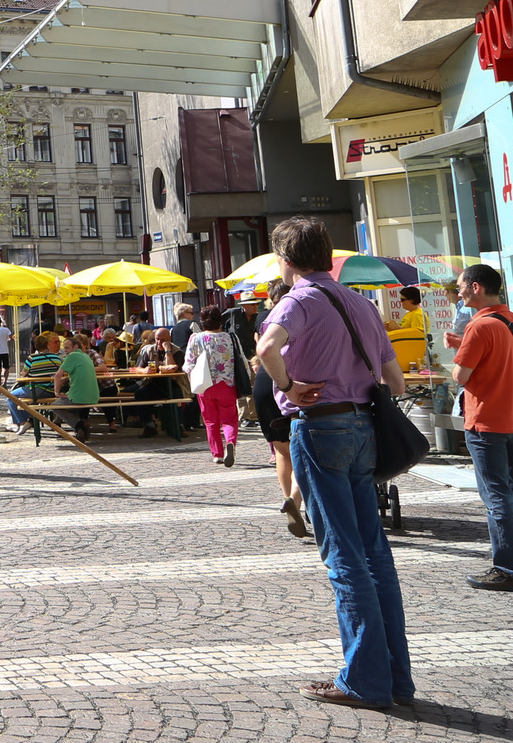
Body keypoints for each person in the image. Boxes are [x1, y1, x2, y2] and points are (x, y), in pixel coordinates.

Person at [255, 215, 413, 710]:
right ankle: (395, 678)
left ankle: (364, 680)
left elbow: (265, 348)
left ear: (286, 260)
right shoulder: (359, 303)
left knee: (343, 555)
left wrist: (287, 385)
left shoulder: (299, 300)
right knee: (374, 553)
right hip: (365, 427)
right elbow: (398, 382)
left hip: (321, 427)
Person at [449, 263, 511, 591]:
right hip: (510, 417)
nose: (457, 292)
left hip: (486, 421)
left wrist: (460, 348)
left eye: (461, 286)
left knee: (496, 495)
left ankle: (505, 568)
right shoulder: (508, 320)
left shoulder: (479, 325)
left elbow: (461, 376)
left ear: (476, 287)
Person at [250, 281, 310, 538]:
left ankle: (288, 498)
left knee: (282, 451)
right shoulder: (298, 312)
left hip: (263, 383)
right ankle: (295, 500)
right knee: (305, 449)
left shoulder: (264, 318)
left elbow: (260, 351)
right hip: (287, 383)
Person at [183, 306, 241, 465]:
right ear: (220, 321)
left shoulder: (196, 338)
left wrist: (192, 383)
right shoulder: (230, 337)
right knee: (229, 418)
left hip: (205, 384)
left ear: (202, 322)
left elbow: (188, 364)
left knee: (210, 421)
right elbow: (241, 359)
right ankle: (230, 441)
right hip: (227, 383)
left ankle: (217, 454)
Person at [55, 332, 101, 438]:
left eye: (67, 348)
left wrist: (57, 392)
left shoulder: (72, 356)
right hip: (94, 397)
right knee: (71, 405)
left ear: (76, 347)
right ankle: (81, 427)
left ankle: (79, 425)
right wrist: (67, 378)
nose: (65, 350)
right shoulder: (86, 356)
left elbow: (57, 376)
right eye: (64, 348)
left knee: (55, 406)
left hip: (78, 397)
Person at [384, 286, 429, 374]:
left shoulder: (418, 314)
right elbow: (406, 332)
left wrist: (397, 328)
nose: (400, 302)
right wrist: (391, 329)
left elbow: (418, 335)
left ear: (412, 300)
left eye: (403, 299)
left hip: (412, 356)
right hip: (406, 353)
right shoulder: (410, 314)